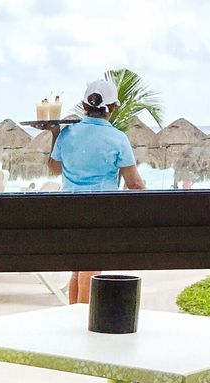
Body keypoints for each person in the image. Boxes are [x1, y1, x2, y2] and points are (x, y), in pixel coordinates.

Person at [48, 78, 146, 303]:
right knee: (90, 272)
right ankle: (83, 326)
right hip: (100, 212)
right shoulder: (118, 139)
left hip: (68, 211)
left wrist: (55, 134)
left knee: (78, 270)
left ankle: (72, 319)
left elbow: (54, 169)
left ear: (84, 106)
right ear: (112, 108)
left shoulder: (67, 134)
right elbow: (135, 184)